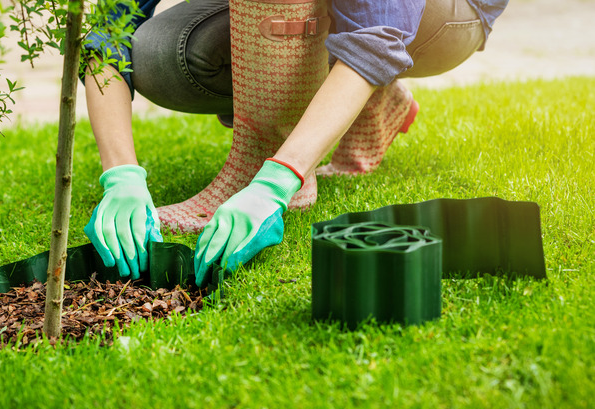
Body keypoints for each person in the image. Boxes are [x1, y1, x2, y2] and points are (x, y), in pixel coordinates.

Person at [82, 0, 509, 285]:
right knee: (159, 53)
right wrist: (120, 175)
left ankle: (264, 157)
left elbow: (379, 31)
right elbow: (110, 30)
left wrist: (275, 181)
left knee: (363, 32)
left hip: (445, 13)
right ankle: (364, 98)